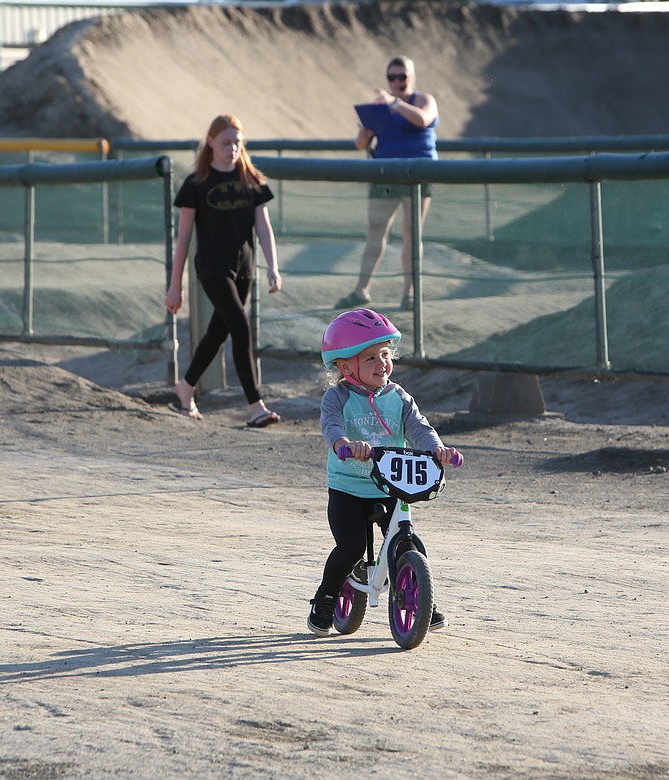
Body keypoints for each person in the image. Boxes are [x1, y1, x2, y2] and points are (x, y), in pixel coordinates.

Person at [307, 307, 459, 637]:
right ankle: (326, 598)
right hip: (348, 487)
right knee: (351, 546)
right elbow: (331, 426)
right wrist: (344, 443)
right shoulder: (337, 397)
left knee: (409, 546)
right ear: (346, 365)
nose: (382, 364)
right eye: (371, 358)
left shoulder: (399, 397)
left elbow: (420, 427)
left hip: (390, 485)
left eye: (385, 354)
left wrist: (437, 449)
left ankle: (423, 600)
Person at [166, 114, 283, 427]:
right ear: (211, 142)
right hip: (212, 269)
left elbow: (264, 226)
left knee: (218, 332)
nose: (232, 148)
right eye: (225, 142)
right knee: (240, 328)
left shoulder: (253, 180)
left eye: (237, 142)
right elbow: (184, 237)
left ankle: (185, 387)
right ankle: (256, 406)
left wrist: (273, 265)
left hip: (244, 268)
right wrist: (175, 285)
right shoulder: (196, 183)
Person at [336, 55, 439, 313]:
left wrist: (395, 104)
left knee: (411, 233)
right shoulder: (383, 107)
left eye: (402, 77)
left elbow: (423, 119)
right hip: (385, 172)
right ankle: (361, 289)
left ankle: (410, 293)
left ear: (411, 78)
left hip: (418, 173)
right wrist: (365, 132)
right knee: (375, 230)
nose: (397, 82)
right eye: (392, 78)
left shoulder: (423, 100)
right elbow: (360, 144)